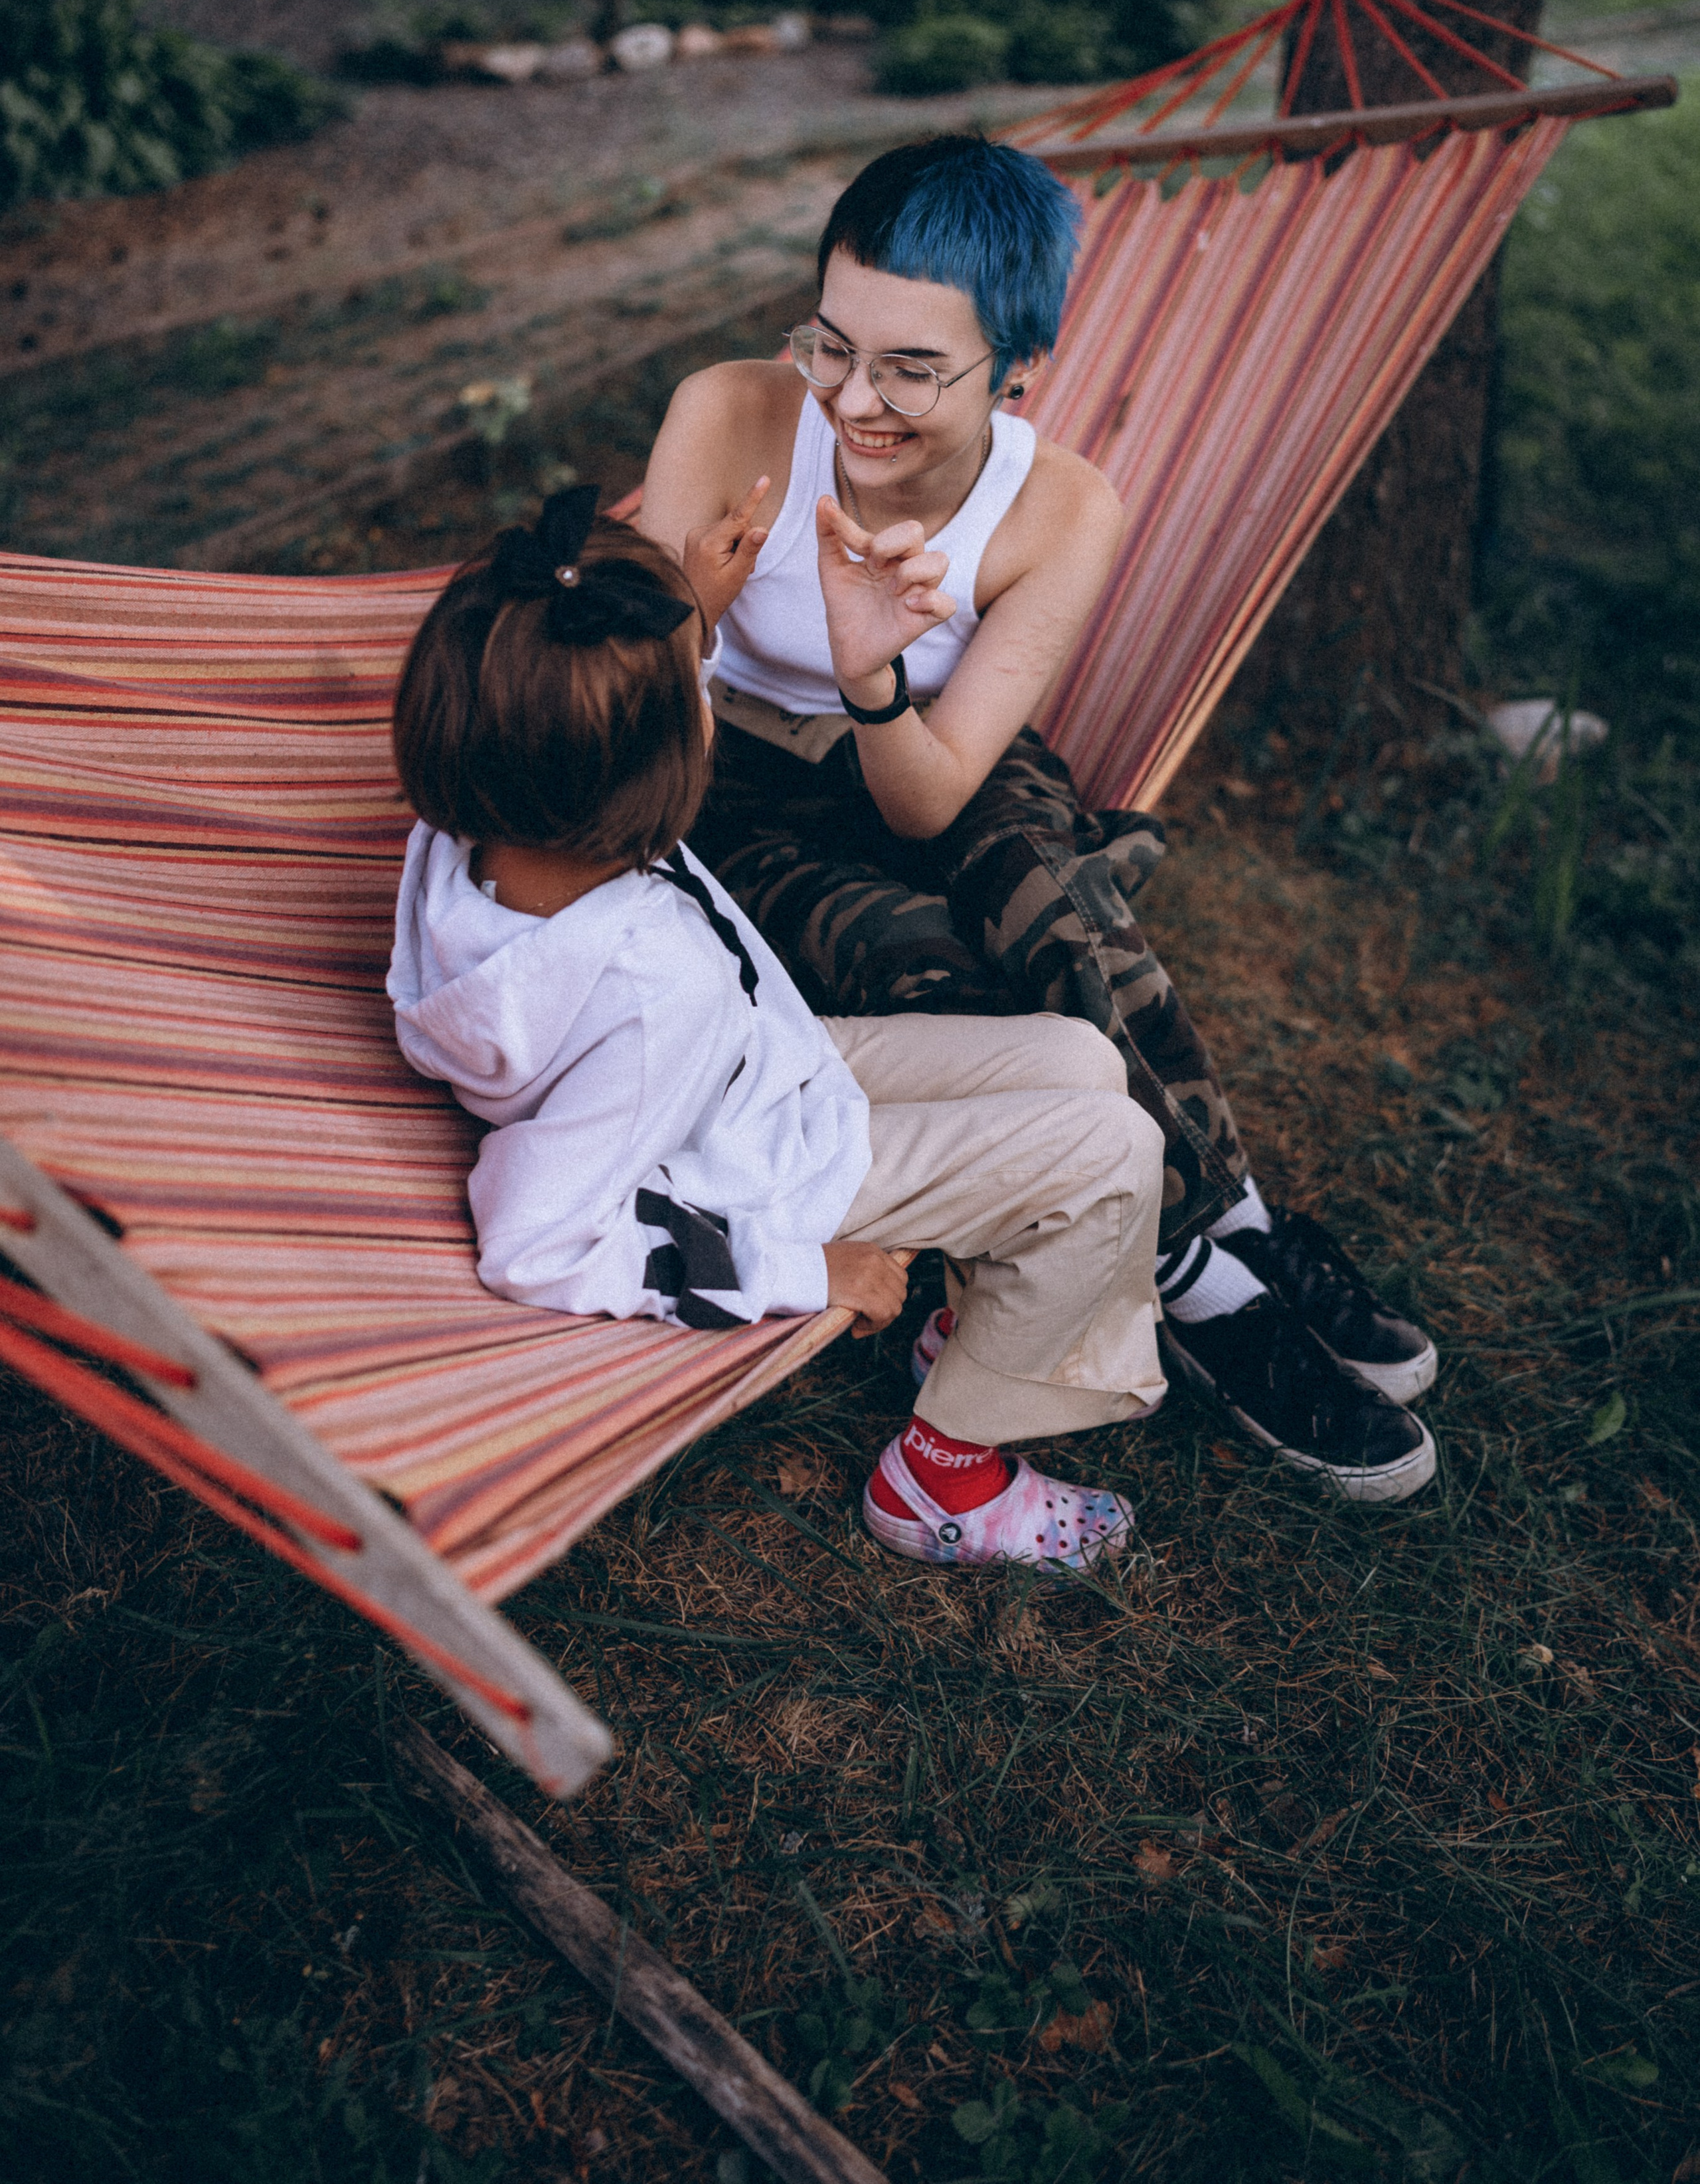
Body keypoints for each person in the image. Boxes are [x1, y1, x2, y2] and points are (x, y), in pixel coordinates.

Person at [640, 132, 1438, 1505]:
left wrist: (870, 674)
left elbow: (931, 793)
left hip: (932, 747)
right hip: (732, 775)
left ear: (1017, 371)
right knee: (940, 979)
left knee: (1051, 901)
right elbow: (627, 694)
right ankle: (1210, 1261)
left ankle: (1209, 1240)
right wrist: (714, 626)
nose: (852, 402)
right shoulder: (730, 413)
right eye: (831, 346)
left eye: (910, 370)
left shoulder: (1060, 505)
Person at [385, 484, 1181, 1576]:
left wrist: (686, 618)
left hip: (756, 1073)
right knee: (1117, 1157)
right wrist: (804, 1266)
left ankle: (992, 1326)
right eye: (696, 700)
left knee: (1083, 1060)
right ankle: (944, 1472)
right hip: (757, 1170)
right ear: (657, 775)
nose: (709, 706)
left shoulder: (487, 823)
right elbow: (536, 1239)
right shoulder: (652, 985)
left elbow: (577, 726)